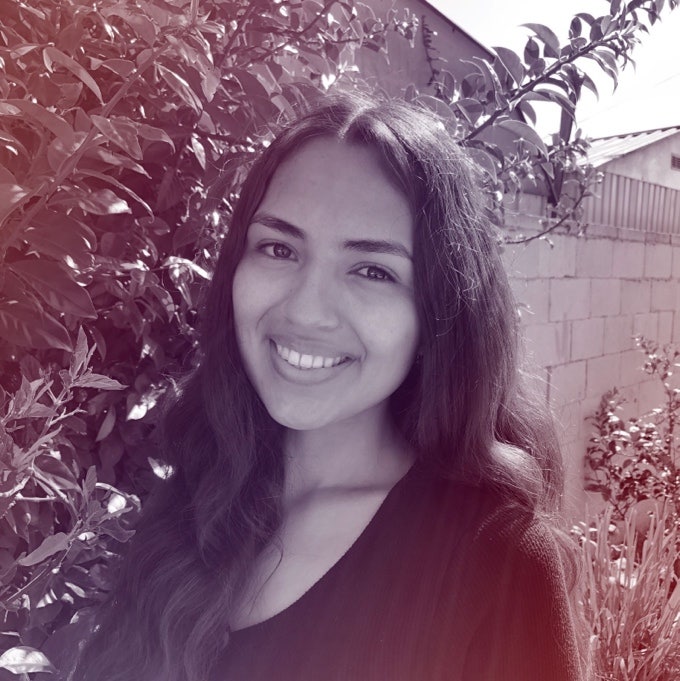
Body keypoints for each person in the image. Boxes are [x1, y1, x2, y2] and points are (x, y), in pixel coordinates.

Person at [74, 92, 585, 681]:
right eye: (279, 248)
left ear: (438, 313)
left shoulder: (497, 562)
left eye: (372, 270)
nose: (307, 311)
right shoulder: (196, 494)